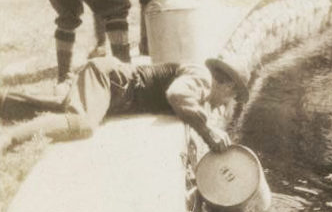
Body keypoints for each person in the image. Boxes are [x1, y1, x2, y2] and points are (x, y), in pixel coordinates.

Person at [0, 55, 249, 154]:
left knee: (57, 110)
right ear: (228, 86)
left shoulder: (201, 81)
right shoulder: (202, 78)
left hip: (113, 90)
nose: (223, 107)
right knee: (82, 123)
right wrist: (208, 131)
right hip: (111, 81)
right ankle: (9, 137)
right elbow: (177, 95)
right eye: (230, 99)